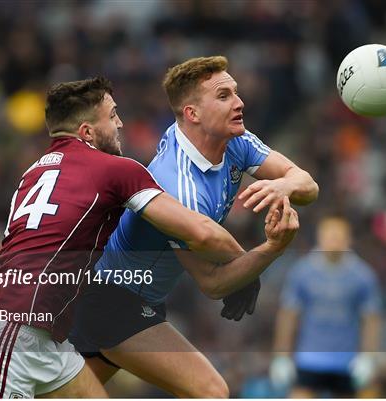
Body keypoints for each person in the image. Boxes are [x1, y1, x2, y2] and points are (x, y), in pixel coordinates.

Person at [0, 77, 271, 398]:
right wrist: (248, 264)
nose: (120, 123)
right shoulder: (115, 169)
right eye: (112, 115)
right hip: (9, 335)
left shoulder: (33, 172)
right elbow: (200, 232)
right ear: (87, 132)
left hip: (45, 341)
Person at [71, 56, 318, 397]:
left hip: (133, 296)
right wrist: (271, 249)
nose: (239, 102)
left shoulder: (236, 141)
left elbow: (308, 184)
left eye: (235, 92)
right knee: (211, 391)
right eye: (224, 96)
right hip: (113, 298)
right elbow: (214, 282)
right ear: (193, 114)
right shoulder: (178, 186)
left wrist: (283, 186)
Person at [270, 215, 382, 398]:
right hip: (309, 359)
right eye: (330, 236)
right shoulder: (302, 272)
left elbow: (371, 319)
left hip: (347, 361)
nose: (334, 242)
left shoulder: (363, 276)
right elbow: (288, 315)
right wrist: (281, 356)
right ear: (320, 238)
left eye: (338, 237)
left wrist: (369, 357)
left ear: (348, 239)